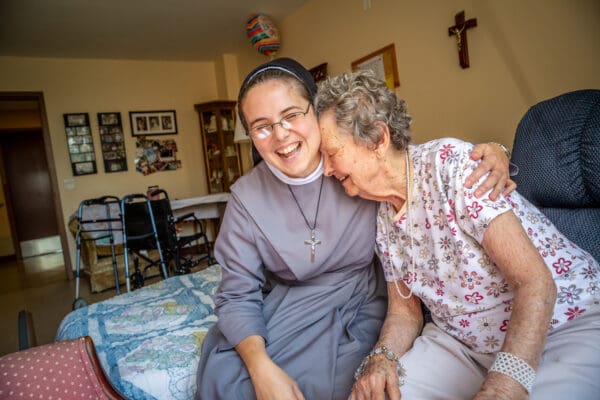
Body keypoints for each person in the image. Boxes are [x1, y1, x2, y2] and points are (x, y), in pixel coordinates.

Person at [195, 58, 512, 400]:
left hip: (361, 301)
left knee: (340, 386)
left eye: (291, 115)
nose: (280, 135)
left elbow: (416, 164)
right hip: (293, 304)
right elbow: (237, 293)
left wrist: (495, 151)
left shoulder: (359, 162)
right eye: (262, 126)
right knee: (230, 379)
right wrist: (261, 366)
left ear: (314, 111)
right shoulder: (246, 196)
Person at [314, 70, 600, 400]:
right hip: (464, 343)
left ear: (378, 139)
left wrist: (505, 384)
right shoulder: (381, 217)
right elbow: (404, 312)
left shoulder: (452, 166)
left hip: (561, 326)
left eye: (332, 153)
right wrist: (382, 358)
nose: (327, 170)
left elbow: (536, 283)